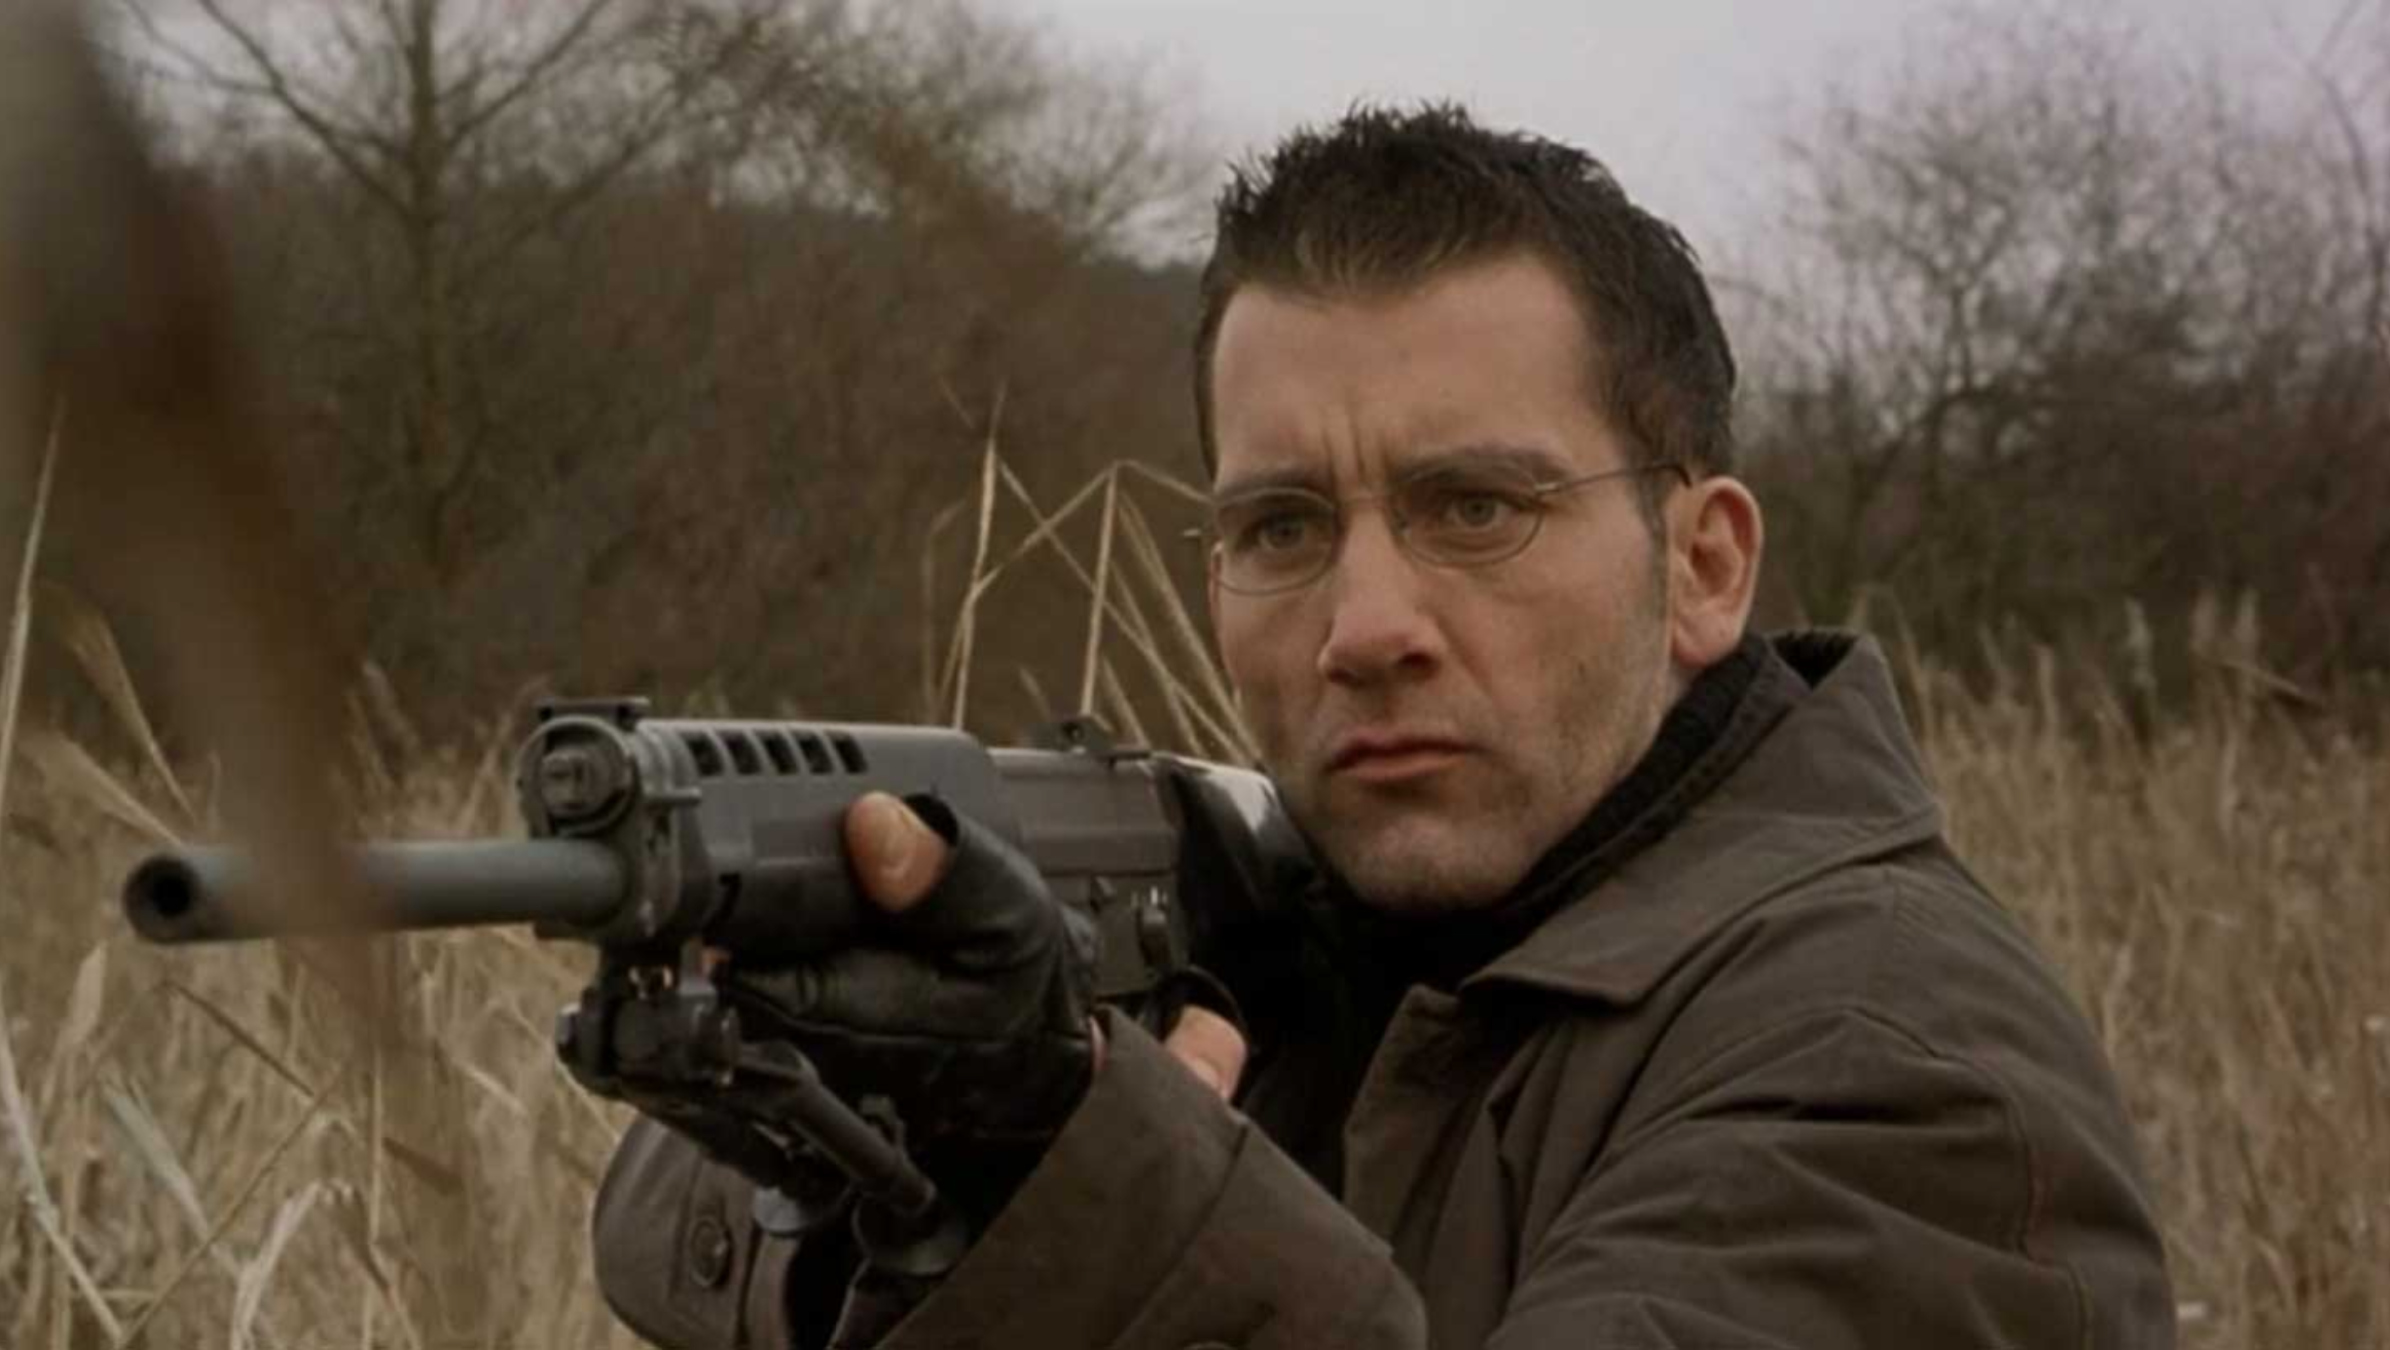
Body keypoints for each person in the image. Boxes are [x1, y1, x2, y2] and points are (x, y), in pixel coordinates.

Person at [589, 103, 2177, 1349]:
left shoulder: (1899, 1067)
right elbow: (663, 1247)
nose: (1362, 628)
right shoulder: (1292, 936)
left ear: (1702, 566)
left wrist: (1061, 1162)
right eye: (1281, 527)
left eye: (1475, 506)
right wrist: (878, 1126)